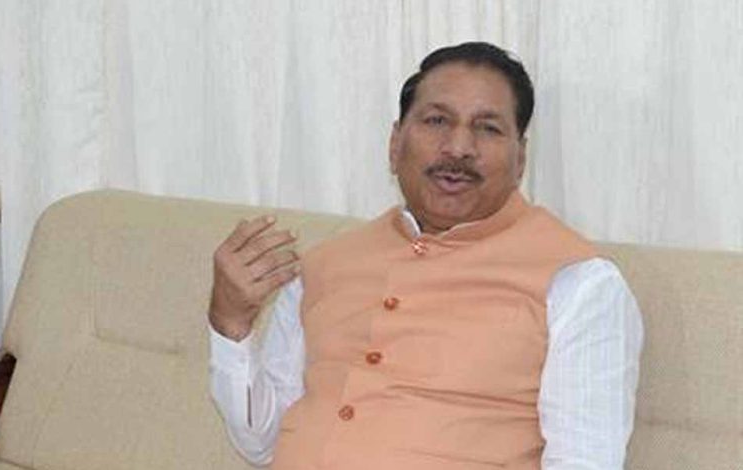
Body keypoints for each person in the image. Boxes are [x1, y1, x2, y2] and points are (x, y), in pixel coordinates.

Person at [208, 42, 643, 470]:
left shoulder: (578, 283)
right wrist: (231, 322)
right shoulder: (322, 266)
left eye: (488, 128)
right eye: (437, 120)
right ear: (395, 144)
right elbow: (261, 443)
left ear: (520, 159)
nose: (459, 147)